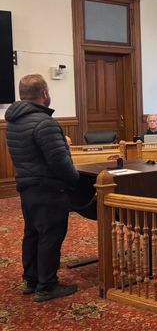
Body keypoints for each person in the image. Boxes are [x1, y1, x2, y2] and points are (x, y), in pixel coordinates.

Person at [4, 74, 79, 302]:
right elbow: (59, 161)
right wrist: (75, 179)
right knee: (50, 235)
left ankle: (32, 280)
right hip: (49, 189)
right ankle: (46, 286)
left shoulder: (13, 121)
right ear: (44, 93)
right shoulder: (44, 122)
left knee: (32, 233)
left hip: (27, 187)